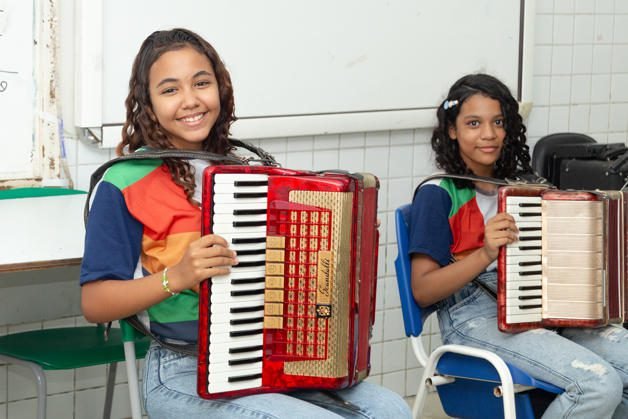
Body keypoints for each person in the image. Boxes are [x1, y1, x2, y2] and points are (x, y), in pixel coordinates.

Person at [80, 28, 410, 419]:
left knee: (391, 410)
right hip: (181, 368)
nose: (190, 100)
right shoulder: (122, 182)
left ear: (220, 88)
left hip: (268, 356)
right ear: (148, 105)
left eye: (201, 83)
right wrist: (178, 276)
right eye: (170, 90)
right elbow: (95, 304)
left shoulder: (244, 172)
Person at [409, 73, 628, 418]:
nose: (488, 134)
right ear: (452, 130)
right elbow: (423, 291)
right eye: (473, 123)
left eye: (498, 122)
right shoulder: (437, 194)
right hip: (473, 318)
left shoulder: (524, 187)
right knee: (597, 384)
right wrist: (485, 253)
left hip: (539, 308)